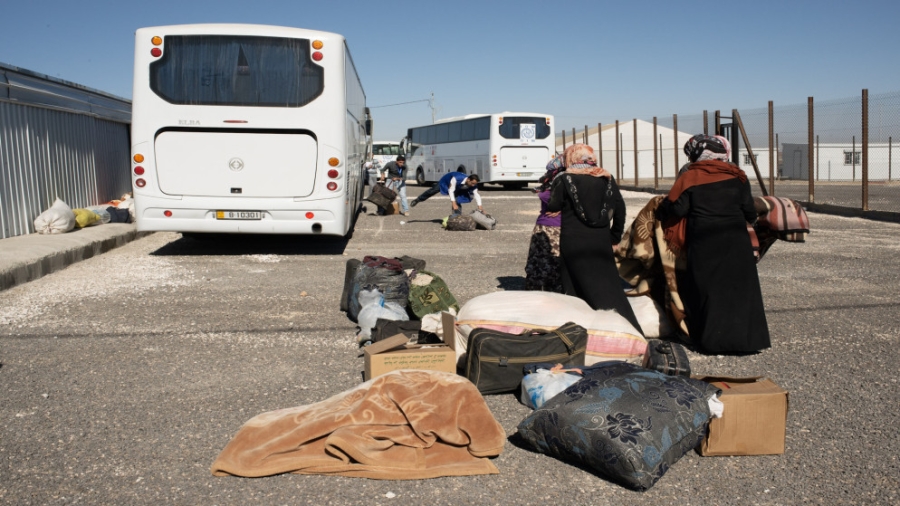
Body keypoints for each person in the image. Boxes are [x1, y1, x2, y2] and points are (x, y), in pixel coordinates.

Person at [656, 134, 770, 354]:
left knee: (705, 289)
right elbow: (748, 210)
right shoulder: (738, 176)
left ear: (697, 153)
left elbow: (678, 209)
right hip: (736, 240)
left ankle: (710, 341)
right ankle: (746, 343)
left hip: (705, 240)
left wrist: (663, 209)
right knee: (738, 289)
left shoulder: (691, 177)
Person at [546, 144, 642, 333]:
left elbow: (553, 205)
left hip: (573, 241)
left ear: (571, 158)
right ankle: (627, 329)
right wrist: (614, 237)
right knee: (608, 286)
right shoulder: (606, 177)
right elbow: (620, 208)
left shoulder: (563, 179)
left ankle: (582, 333)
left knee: (573, 287)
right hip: (600, 240)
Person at [524, 154, 567, 292]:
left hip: (552, 226)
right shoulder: (560, 181)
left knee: (546, 261)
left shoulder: (558, 181)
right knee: (548, 261)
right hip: (550, 225)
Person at [410, 172, 484, 216]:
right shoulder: (456, 178)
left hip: (459, 187)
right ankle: (418, 199)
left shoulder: (472, 184)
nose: (473, 185)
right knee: (432, 191)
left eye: (475, 184)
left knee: (458, 199)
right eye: (472, 183)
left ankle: (457, 215)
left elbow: (476, 194)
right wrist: (453, 203)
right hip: (445, 182)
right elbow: (451, 190)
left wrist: (480, 206)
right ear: (468, 179)